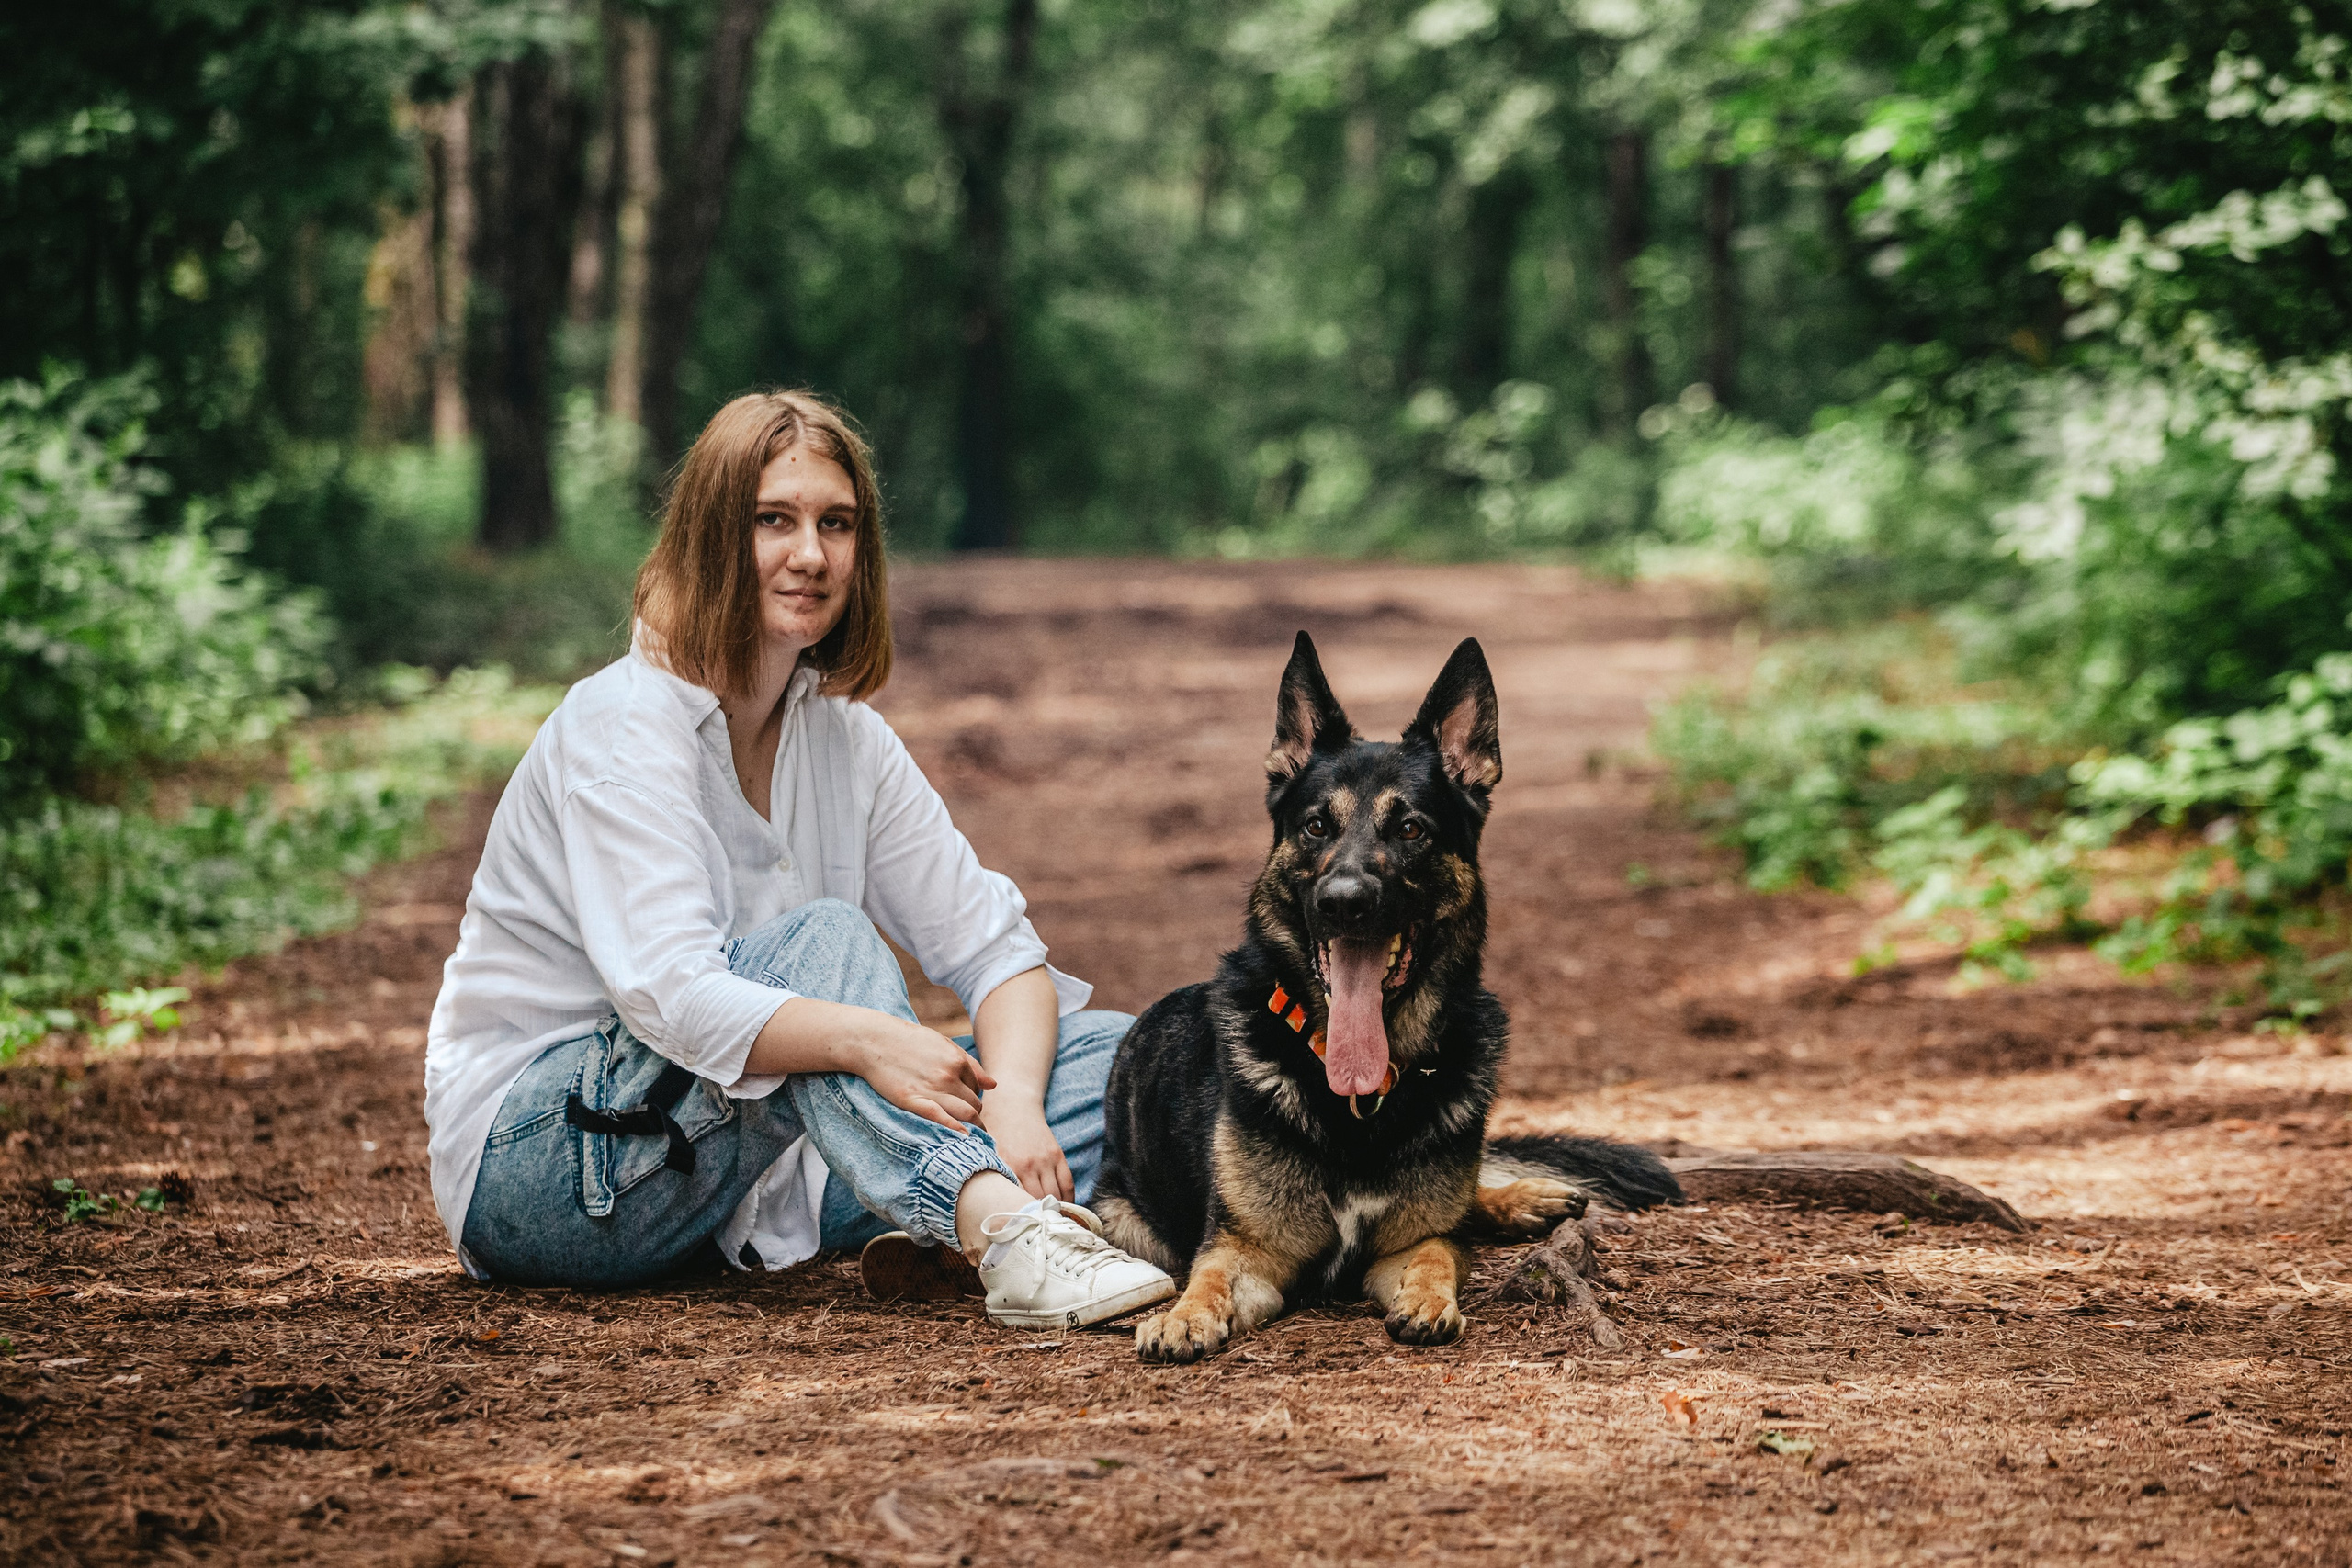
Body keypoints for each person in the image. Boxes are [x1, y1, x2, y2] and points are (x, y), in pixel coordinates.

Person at [422, 389, 1176, 1328]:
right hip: (553, 1164)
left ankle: (1013, 1211)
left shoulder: (845, 738)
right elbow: (673, 997)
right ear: (710, 536)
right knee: (824, 949)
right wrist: (868, 1038)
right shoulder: (623, 726)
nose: (810, 555)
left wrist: (1015, 1101)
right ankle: (1004, 1233)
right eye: (772, 520)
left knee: (1139, 1057)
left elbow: (997, 952)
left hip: (756, 1172)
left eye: (836, 524)